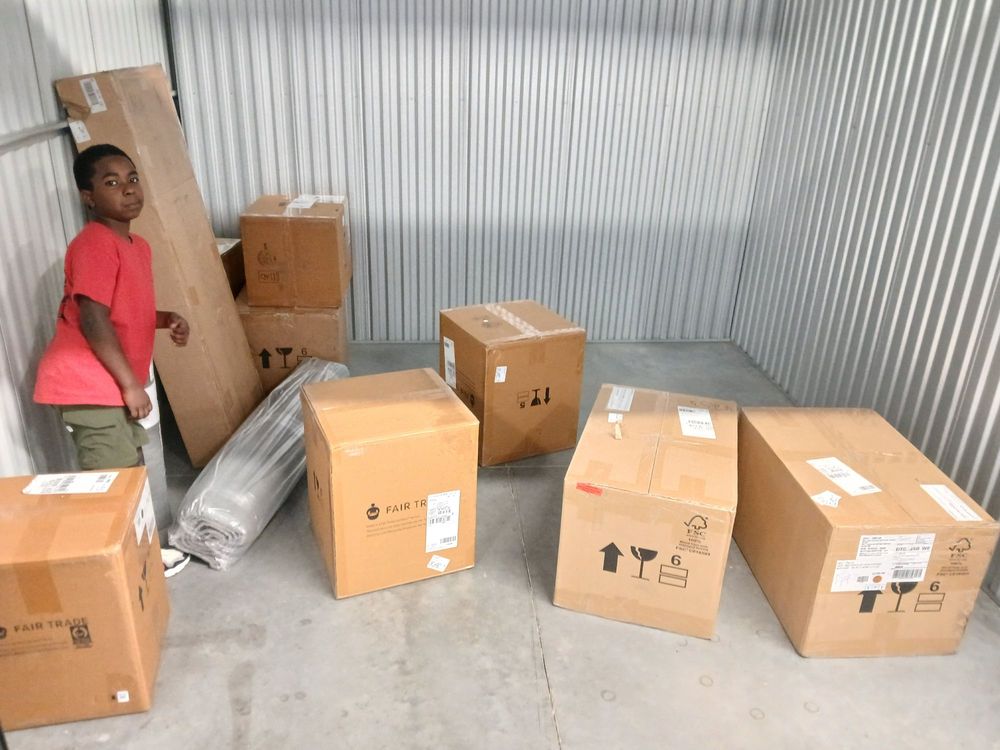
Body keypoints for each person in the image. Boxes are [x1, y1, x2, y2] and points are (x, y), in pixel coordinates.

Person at [34, 143, 191, 576]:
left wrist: (166, 319)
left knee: (126, 473)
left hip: (108, 380)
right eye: (111, 182)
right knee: (113, 483)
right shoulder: (95, 244)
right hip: (89, 382)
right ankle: (116, 577)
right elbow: (93, 318)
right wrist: (129, 384)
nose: (128, 189)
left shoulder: (135, 245)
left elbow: (125, 309)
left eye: (132, 178)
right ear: (89, 197)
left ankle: (134, 560)